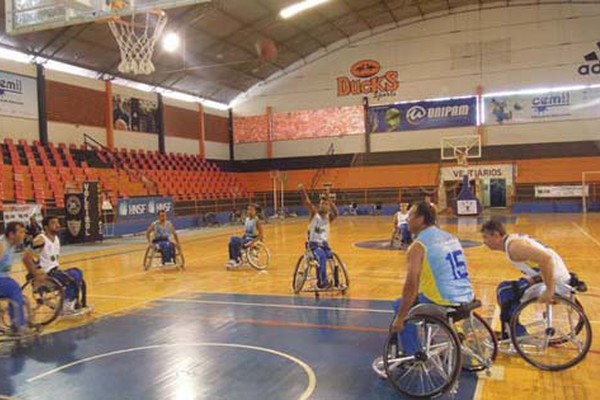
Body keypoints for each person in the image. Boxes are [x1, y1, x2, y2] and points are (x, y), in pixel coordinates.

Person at [390, 202, 474, 355]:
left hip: (443, 301)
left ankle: (413, 354)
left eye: (410, 216)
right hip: (467, 297)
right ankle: (455, 332)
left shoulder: (418, 246)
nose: (407, 219)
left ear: (421, 219)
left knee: (399, 305)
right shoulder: (451, 237)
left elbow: (411, 286)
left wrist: (401, 318)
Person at [480, 219, 570, 338]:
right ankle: (512, 329)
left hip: (556, 282)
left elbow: (546, 259)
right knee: (513, 287)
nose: (484, 242)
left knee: (505, 291)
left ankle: (517, 334)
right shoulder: (513, 241)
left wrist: (550, 290)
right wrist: (532, 279)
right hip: (551, 277)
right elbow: (539, 265)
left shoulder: (514, 248)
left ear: (496, 235)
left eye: (486, 237)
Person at [24, 216, 91, 315]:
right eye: (54, 223)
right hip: (46, 275)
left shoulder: (56, 238)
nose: (57, 225)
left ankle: (79, 303)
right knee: (73, 276)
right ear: (46, 227)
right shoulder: (41, 239)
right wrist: (37, 271)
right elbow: (28, 256)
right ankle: (66, 305)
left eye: (58, 223)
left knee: (78, 272)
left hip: (55, 271)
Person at [0, 221, 45, 335]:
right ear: (11, 234)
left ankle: (24, 322)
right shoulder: (2, 245)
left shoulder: (11, 244)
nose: (23, 234)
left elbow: (26, 258)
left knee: (21, 297)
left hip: (3, 279)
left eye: (24, 232)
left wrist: (35, 271)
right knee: (13, 288)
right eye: (20, 232)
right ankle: (19, 326)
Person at [300, 184, 339, 289]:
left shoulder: (328, 217)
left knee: (333, 259)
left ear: (328, 207)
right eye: (321, 204)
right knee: (321, 257)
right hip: (314, 245)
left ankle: (336, 281)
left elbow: (336, 213)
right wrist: (303, 191)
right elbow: (307, 203)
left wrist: (329, 199)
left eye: (325, 204)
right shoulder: (314, 214)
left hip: (325, 245)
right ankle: (322, 282)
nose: (323, 205)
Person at [226, 204, 264, 268]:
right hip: (246, 239)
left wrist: (253, 243)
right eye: (248, 210)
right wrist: (242, 238)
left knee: (234, 239)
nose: (249, 211)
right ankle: (233, 259)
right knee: (231, 243)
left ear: (255, 212)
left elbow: (261, 235)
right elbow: (246, 233)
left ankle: (237, 259)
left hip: (252, 240)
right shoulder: (247, 220)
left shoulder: (257, 221)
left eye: (251, 210)